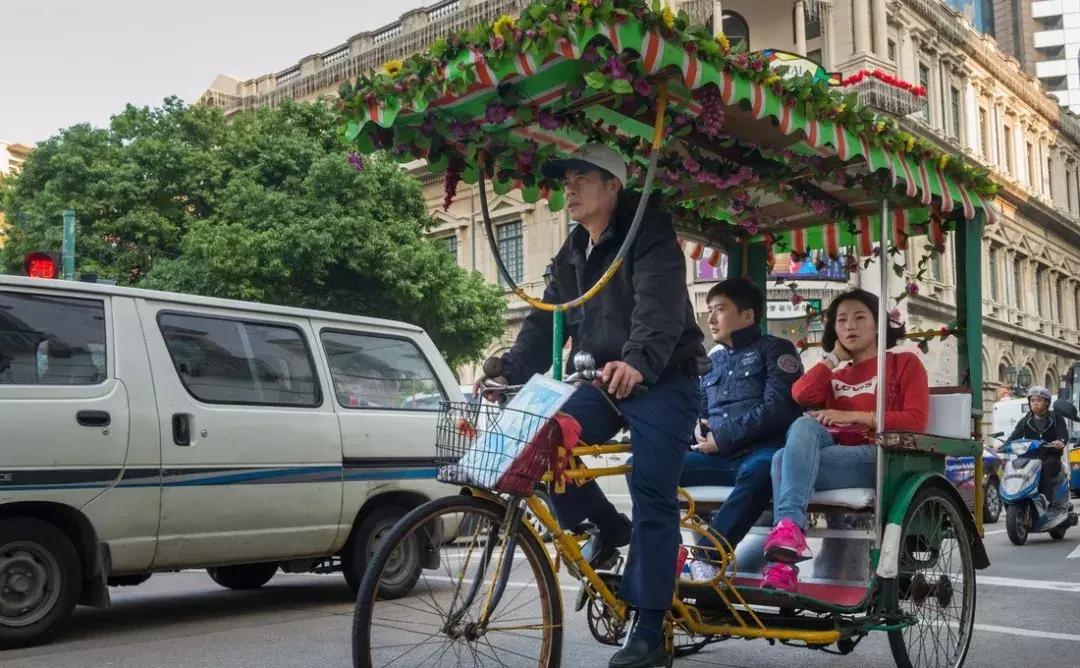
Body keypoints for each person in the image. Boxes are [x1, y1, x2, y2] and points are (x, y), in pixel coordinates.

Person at [477, 143, 705, 668]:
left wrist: (638, 361)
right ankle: (606, 523)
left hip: (663, 378)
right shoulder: (573, 249)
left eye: (582, 178)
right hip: (604, 381)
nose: (570, 189)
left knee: (652, 490)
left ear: (613, 187)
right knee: (541, 441)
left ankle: (649, 628)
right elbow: (542, 321)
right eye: (566, 181)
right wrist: (508, 370)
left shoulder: (648, 234)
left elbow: (659, 304)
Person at [761, 289, 929, 592]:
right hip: (834, 456)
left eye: (860, 317)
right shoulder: (836, 373)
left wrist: (855, 416)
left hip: (878, 457)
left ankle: (782, 563)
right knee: (799, 429)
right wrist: (833, 358)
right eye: (841, 320)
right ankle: (787, 539)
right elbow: (800, 394)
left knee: (781, 461)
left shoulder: (904, 363)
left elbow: (916, 420)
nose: (850, 326)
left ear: (879, 324)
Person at [678, 278, 804, 580]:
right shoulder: (712, 361)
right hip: (715, 457)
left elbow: (779, 409)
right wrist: (697, 427)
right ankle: (666, 550)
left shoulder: (776, 350)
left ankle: (707, 557)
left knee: (762, 470)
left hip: (760, 454)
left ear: (747, 316)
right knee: (643, 467)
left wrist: (721, 438)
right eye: (709, 310)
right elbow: (700, 409)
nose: (711, 319)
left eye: (720, 309)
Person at [1005, 385, 1068, 506]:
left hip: (1051, 458)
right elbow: (1015, 436)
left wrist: (1061, 441)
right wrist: (1003, 446)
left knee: (1044, 467)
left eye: (1039, 400)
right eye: (1032, 400)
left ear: (1046, 403)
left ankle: (1046, 499)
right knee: (1015, 466)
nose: (1035, 403)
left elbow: (1063, 434)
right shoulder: (1026, 420)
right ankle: (1014, 497)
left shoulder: (1056, 417)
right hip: (1030, 458)